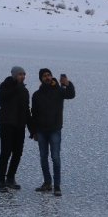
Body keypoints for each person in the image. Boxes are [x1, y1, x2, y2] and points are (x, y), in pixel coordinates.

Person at [31, 68, 76, 196]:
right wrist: (33, 131)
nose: (47, 77)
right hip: (41, 131)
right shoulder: (36, 95)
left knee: (55, 158)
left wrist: (68, 84)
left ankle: (57, 186)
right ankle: (47, 183)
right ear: (41, 79)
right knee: (43, 158)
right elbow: (33, 113)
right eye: (44, 76)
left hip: (55, 130)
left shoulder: (59, 91)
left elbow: (71, 95)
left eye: (49, 75)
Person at [0, 66, 33, 192]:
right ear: (14, 75)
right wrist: (16, 87)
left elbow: (27, 111)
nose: (22, 76)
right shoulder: (5, 85)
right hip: (7, 124)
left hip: (20, 126)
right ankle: (1, 181)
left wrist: (31, 129)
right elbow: (3, 98)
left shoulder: (24, 91)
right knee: (5, 152)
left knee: (17, 153)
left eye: (24, 74)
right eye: (20, 74)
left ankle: (10, 178)